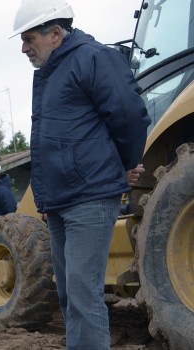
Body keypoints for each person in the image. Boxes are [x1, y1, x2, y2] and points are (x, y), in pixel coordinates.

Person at [10, 0, 151, 348]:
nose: (24, 48)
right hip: (59, 200)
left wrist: (127, 162)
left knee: (84, 297)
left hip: (89, 197)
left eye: (29, 39)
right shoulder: (49, 72)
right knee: (70, 296)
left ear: (55, 33)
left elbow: (129, 114)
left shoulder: (92, 58)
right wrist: (43, 197)